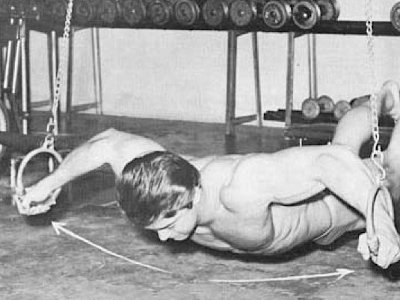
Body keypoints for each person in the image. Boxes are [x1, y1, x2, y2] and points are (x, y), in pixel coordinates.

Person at [16, 81, 400, 270]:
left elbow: (329, 164)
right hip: (295, 209)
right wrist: (47, 184)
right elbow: (106, 143)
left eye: (167, 224)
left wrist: (380, 225)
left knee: (389, 176)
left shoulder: (241, 186)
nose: (162, 238)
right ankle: (382, 98)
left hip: (332, 211)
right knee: (345, 145)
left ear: (195, 195)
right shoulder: (152, 171)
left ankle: (388, 103)